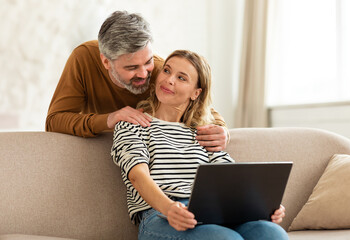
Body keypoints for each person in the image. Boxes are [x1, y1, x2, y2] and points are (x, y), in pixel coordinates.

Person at [111, 50, 288, 240]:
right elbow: (137, 176)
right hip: (159, 215)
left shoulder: (203, 133)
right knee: (225, 239)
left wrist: (263, 205)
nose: (170, 80)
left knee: (271, 233)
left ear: (196, 93)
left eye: (181, 78)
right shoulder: (132, 124)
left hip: (214, 211)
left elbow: (232, 180)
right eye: (167, 71)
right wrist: (169, 208)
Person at [46, 10, 227, 151]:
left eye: (147, 62)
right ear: (106, 62)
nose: (143, 73)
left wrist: (223, 132)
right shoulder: (83, 58)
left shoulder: (161, 72)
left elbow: (203, 107)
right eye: (131, 68)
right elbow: (54, 121)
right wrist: (109, 119)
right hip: (105, 150)